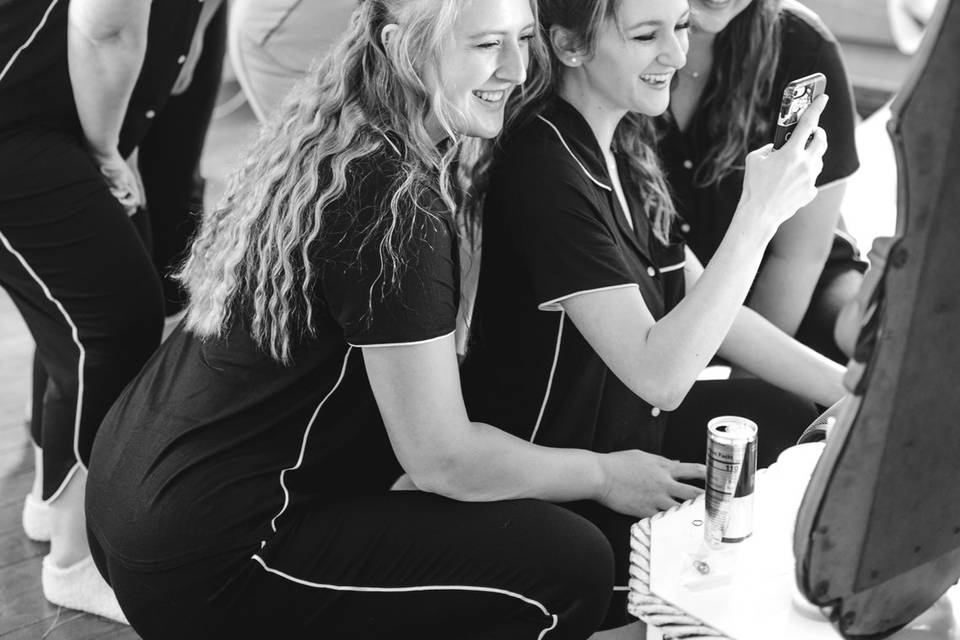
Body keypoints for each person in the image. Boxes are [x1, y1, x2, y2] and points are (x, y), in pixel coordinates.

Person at [84, 1, 692, 637]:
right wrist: (602, 475)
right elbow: (444, 460)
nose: (516, 70)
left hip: (130, 499)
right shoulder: (392, 203)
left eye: (523, 40)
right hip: (218, 557)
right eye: (487, 45)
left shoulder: (340, 138)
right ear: (405, 47)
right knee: (569, 561)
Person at [460, 0, 845, 633]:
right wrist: (760, 216)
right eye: (646, 35)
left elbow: (706, 305)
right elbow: (659, 375)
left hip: (626, 428)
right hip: (556, 467)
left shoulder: (627, 139)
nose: (677, 54)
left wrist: (849, 390)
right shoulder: (543, 166)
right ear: (569, 46)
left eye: (681, 27)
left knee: (784, 419)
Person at [659, 0, 866, 363]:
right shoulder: (608, 49)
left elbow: (800, 255)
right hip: (663, 299)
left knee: (886, 346)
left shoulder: (802, 45)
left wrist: (747, 395)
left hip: (792, 286)